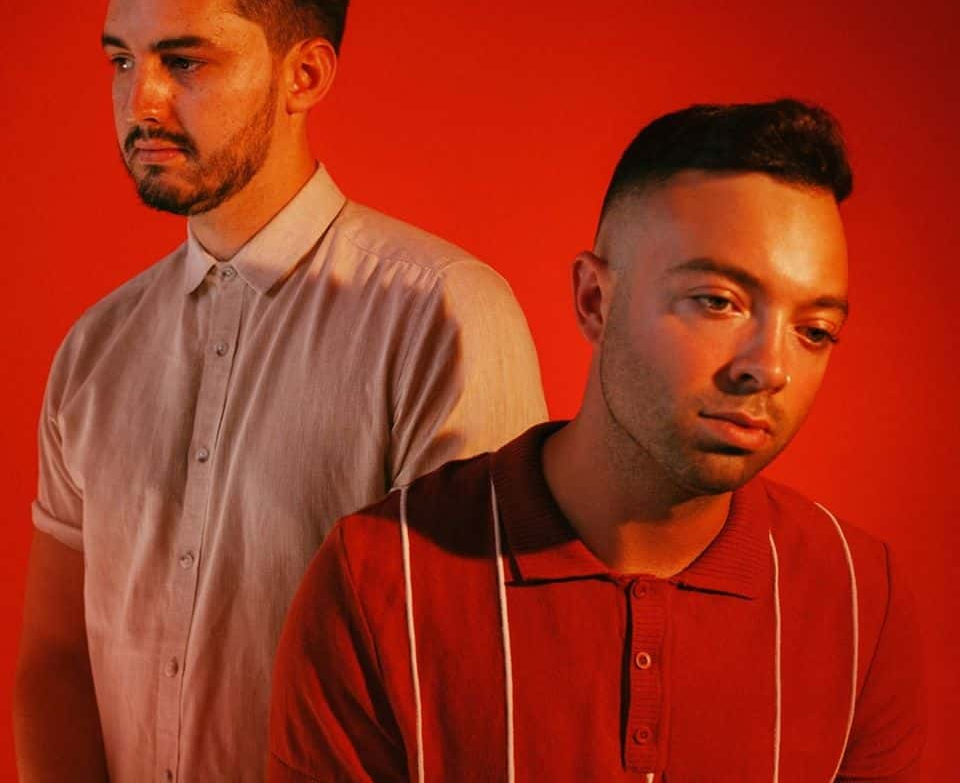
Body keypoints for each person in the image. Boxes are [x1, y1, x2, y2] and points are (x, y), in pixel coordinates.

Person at [13, 0, 546, 783]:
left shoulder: (440, 316)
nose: (139, 100)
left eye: (184, 62)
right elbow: (55, 661)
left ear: (305, 75)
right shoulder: (94, 352)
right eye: (119, 59)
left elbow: (479, 692)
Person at [269, 100, 925, 782]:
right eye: (718, 301)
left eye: (814, 330)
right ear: (594, 300)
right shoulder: (377, 577)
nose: (771, 366)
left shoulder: (859, 600)